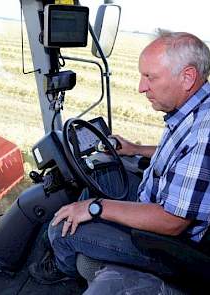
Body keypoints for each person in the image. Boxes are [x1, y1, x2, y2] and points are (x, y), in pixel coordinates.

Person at [29, 31, 210, 284]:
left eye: (150, 77)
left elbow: (172, 221)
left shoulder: (205, 132)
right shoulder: (197, 109)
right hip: (155, 197)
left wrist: (96, 208)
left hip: (169, 244)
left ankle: (63, 268)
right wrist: (136, 149)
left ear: (187, 77)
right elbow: (183, 156)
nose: (141, 87)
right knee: (102, 177)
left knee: (61, 231)